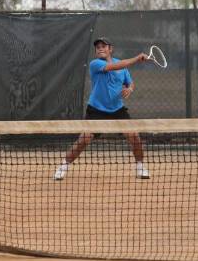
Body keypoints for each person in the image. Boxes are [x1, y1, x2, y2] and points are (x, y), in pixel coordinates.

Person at [54, 37, 151, 181]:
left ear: (110, 49)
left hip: (118, 110)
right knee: (84, 140)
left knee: (134, 137)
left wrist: (130, 88)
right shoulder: (95, 64)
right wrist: (137, 58)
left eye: (103, 46)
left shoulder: (122, 66)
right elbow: (115, 67)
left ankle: (140, 166)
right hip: (96, 109)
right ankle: (63, 166)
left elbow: (130, 82)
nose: (100, 48)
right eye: (97, 47)